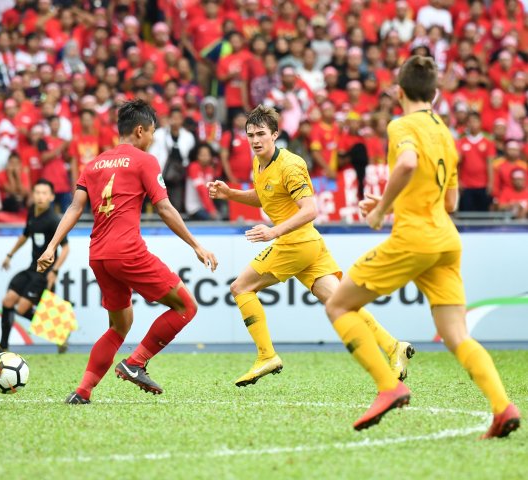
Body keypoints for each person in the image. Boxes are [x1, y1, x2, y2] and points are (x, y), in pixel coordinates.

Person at [323, 56, 520, 438]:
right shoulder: (444, 131)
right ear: (436, 92)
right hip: (446, 240)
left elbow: (408, 164)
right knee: (457, 336)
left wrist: (381, 209)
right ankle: (502, 407)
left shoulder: (402, 124)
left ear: (399, 92)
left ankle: (388, 385)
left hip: (414, 238)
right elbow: (450, 203)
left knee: (339, 304)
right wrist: (391, 200)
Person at [207, 105, 412, 387]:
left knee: (240, 287)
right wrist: (231, 193)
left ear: (275, 134)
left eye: (261, 134)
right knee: (341, 302)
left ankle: (266, 355)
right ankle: (393, 347)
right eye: (251, 134)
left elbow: (310, 209)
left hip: (295, 242)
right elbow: (264, 196)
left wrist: (273, 232)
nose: (255, 140)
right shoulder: (259, 162)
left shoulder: (290, 165)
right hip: (309, 244)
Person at [37, 100, 218, 404]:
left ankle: (82, 391)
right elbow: (163, 207)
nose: (152, 139)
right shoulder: (144, 161)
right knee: (186, 306)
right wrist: (196, 244)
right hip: (128, 251)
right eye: (151, 133)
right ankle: (136, 362)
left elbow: (74, 208)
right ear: (139, 131)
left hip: (99, 255)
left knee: (119, 325)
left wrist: (51, 246)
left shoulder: (93, 164)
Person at [0, 179, 70, 353]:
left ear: (52, 197)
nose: (40, 196)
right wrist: (9, 255)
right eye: (37, 192)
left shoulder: (53, 220)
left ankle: (60, 332)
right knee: (8, 301)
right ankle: (3, 347)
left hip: (44, 273)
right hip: (32, 269)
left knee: (22, 309)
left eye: (44, 193)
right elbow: (25, 235)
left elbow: (66, 248)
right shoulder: (32, 213)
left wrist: (55, 271)